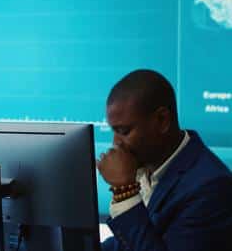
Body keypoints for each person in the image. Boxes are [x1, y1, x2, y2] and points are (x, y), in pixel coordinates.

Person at [97, 69, 232, 251]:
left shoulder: (210, 188)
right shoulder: (148, 166)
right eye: (114, 131)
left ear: (162, 120)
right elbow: (124, 245)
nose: (116, 143)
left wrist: (125, 192)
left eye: (124, 131)